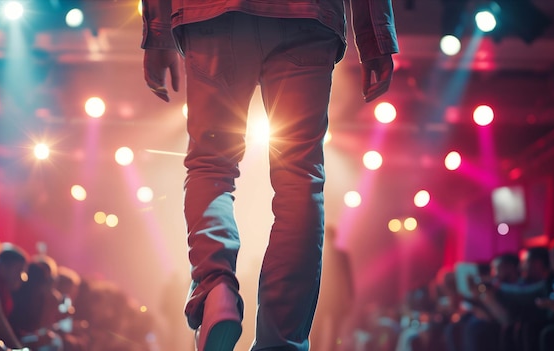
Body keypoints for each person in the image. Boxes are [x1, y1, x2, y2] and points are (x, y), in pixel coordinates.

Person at [141, 0, 398, 350]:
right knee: (300, 176)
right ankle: (281, 341)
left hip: (214, 13)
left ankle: (215, 287)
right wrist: (375, 38)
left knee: (212, 164)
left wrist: (157, 32)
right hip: (307, 15)